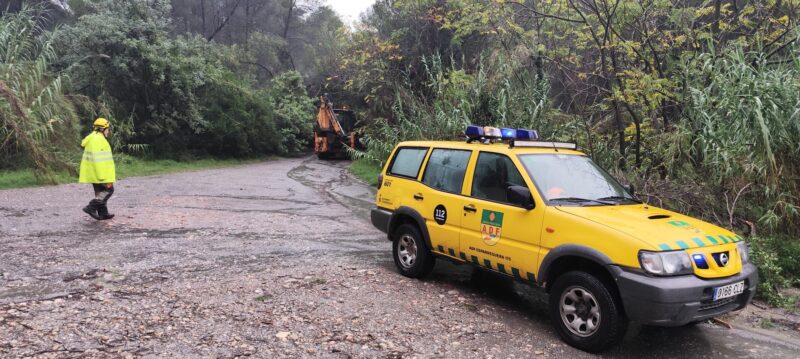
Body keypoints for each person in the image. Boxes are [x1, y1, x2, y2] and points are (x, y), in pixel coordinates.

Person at [79, 118, 115, 220]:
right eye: (107, 129)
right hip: (100, 173)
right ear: (102, 129)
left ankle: (103, 213)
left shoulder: (92, 137)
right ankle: (91, 207)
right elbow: (98, 159)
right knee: (108, 190)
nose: (108, 131)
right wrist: (102, 176)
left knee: (100, 192)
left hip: (93, 172)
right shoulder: (98, 140)